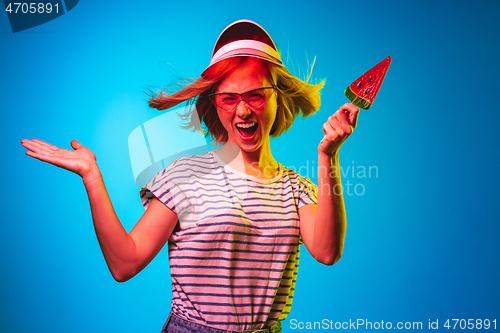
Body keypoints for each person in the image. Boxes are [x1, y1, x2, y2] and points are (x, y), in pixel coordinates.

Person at [21, 20, 359, 333]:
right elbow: (125, 263)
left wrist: (328, 156)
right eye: (229, 98)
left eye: (255, 95)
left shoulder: (296, 188)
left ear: (276, 97)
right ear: (214, 104)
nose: (243, 110)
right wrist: (92, 176)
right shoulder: (184, 177)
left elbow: (326, 252)